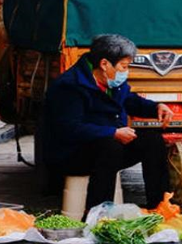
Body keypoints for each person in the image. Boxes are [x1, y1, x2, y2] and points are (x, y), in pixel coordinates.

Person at [43, 34, 174, 209]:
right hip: (71, 154)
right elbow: (68, 128)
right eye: (123, 66)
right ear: (104, 64)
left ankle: (159, 206)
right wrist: (112, 132)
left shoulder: (112, 82)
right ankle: (98, 213)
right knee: (109, 146)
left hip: (108, 147)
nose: (125, 72)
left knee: (152, 140)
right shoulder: (70, 86)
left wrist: (156, 107)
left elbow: (128, 100)